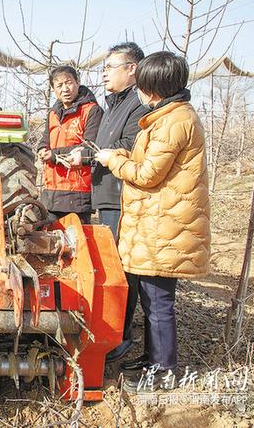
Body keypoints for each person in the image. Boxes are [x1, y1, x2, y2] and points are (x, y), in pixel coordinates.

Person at [94, 51, 210, 392]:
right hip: (157, 222)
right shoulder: (166, 116)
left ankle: (163, 374)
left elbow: (146, 175)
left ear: (152, 88)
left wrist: (113, 159)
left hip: (167, 226)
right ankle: (152, 360)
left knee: (159, 303)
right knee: (150, 298)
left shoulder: (174, 121)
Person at [90, 42, 150, 363]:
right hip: (107, 195)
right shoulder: (114, 104)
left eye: (110, 67)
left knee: (122, 270)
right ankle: (110, 328)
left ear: (132, 69)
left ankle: (119, 336)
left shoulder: (138, 105)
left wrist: (104, 154)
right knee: (110, 267)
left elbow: (130, 146)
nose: (104, 74)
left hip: (122, 197)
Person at [37, 65, 103, 224]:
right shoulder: (53, 113)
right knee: (53, 241)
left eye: (69, 83)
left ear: (78, 82)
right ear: (54, 89)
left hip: (77, 190)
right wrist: (41, 149)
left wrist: (53, 155)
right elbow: (46, 139)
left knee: (78, 241)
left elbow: (90, 147)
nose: (65, 89)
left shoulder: (91, 111)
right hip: (52, 189)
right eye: (59, 85)